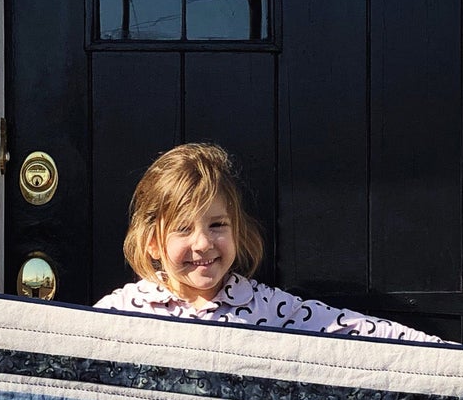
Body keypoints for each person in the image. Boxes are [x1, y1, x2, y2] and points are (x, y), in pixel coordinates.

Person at [95, 142, 438, 342]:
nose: (203, 243)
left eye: (217, 225)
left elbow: (357, 333)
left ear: (237, 231)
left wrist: (458, 359)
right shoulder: (122, 311)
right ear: (153, 243)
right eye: (183, 229)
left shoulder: (266, 308)